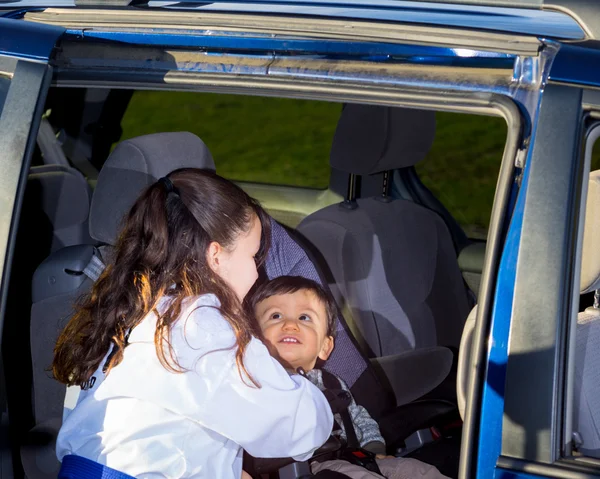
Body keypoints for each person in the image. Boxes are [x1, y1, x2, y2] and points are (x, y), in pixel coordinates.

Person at [52, 168, 333, 479]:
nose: (256, 272)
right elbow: (299, 427)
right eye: (253, 256)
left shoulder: (124, 311)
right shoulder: (202, 328)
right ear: (216, 256)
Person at [248, 275, 450, 479]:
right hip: (306, 468)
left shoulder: (332, 383)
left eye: (304, 318)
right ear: (253, 338)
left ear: (325, 347)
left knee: (419, 471)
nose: (290, 324)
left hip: (355, 457)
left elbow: (359, 419)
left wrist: (374, 449)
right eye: (275, 316)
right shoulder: (254, 383)